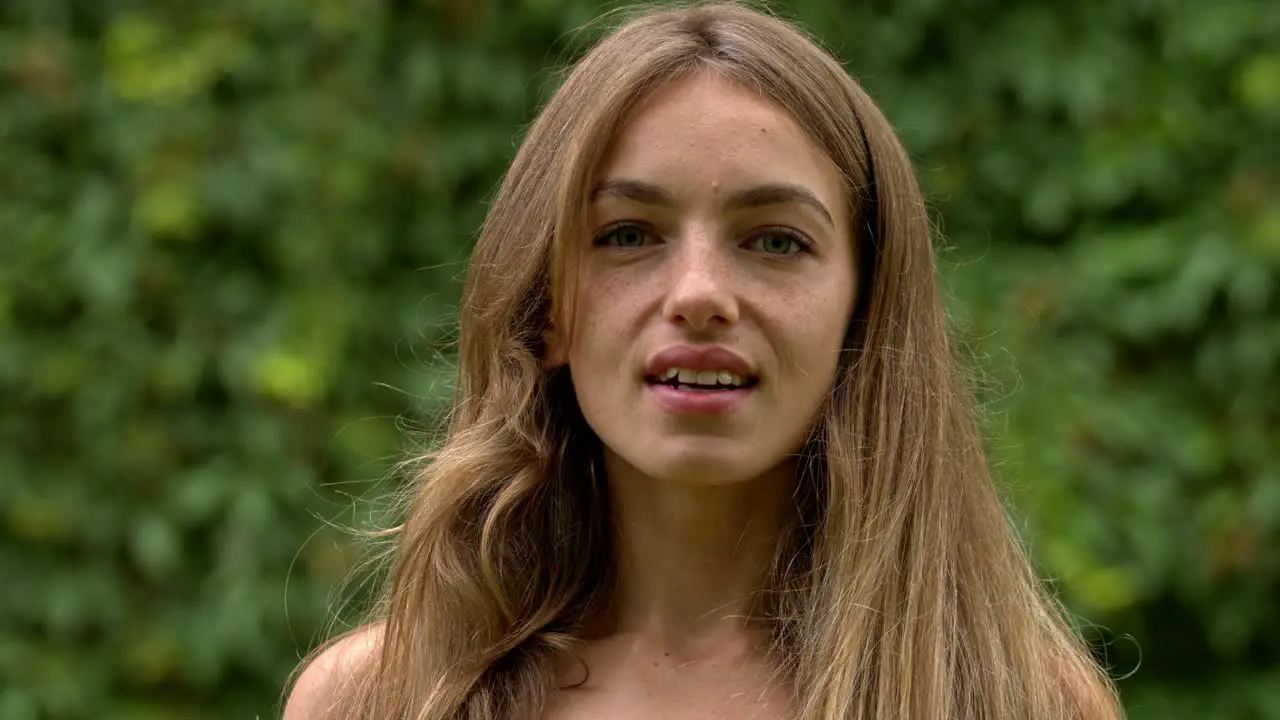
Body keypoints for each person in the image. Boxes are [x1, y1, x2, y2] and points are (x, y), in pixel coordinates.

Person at [283, 2, 1123, 718]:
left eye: (776, 241)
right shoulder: (381, 699)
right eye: (627, 235)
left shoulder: (1013, 700)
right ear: (546, 310)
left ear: (866, 311)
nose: (699, 293)